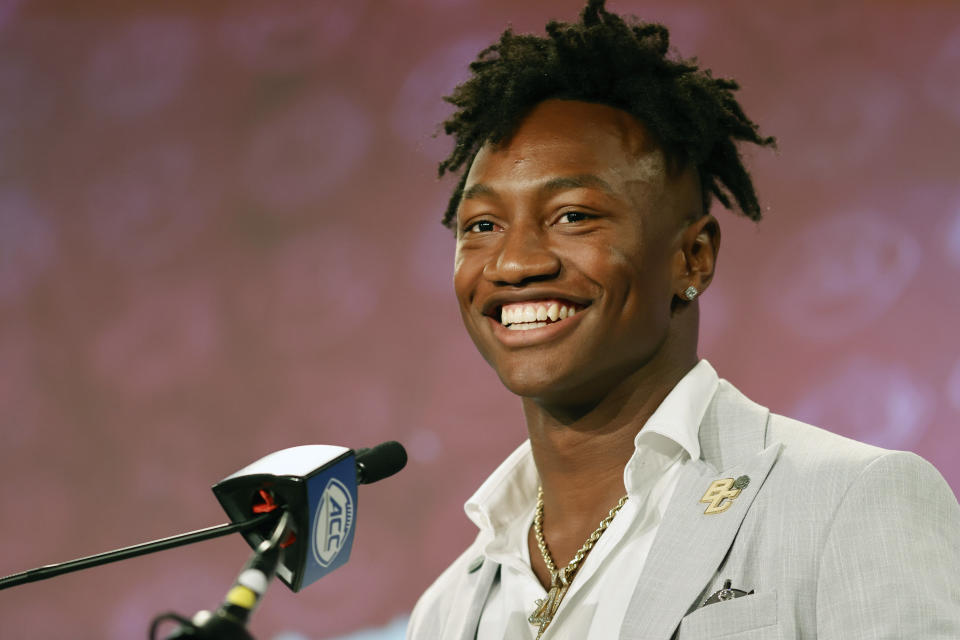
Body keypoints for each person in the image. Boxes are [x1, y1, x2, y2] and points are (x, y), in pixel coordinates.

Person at [406, 1, 960, 638]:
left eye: (573, 216)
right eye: (482, 226)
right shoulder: (448, 609)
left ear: (692, 258)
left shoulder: (848, 502)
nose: (514, 262)